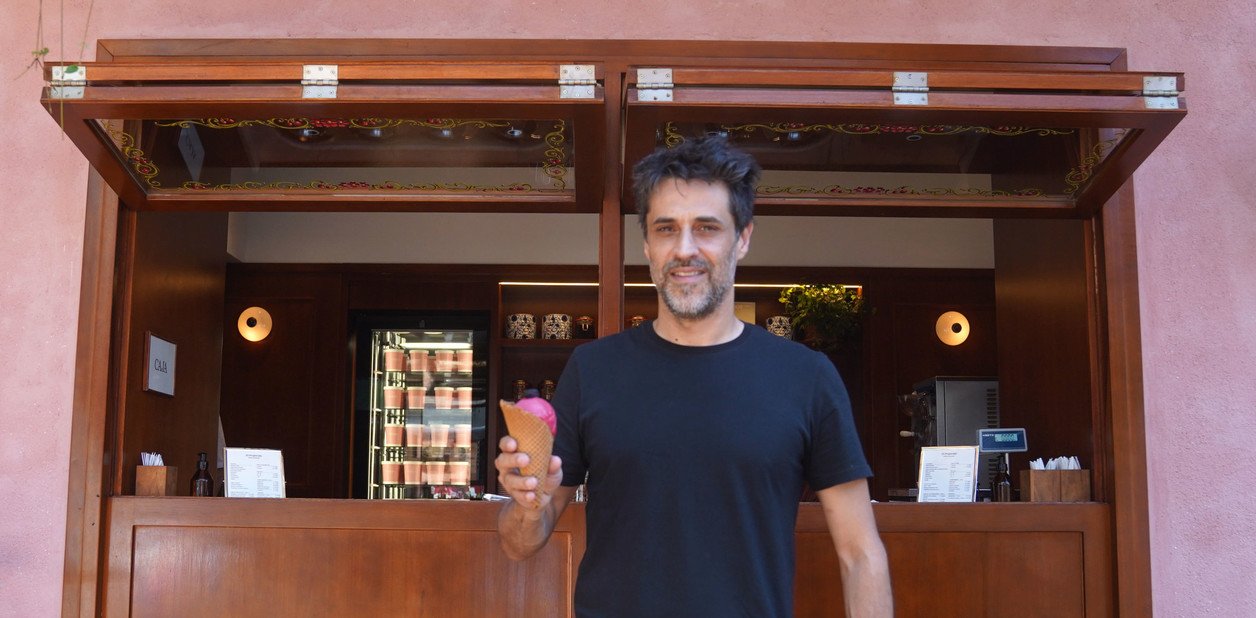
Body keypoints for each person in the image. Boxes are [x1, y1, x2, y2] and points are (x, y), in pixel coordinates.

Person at [495, 136, 892, 617]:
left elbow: (860, 553)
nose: (685, 249)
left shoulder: (806, 377)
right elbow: (520, 543)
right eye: (666, 229)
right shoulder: (593, 369)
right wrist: (526, 506)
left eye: (707, 227)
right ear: (648, 244)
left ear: (742, 237)